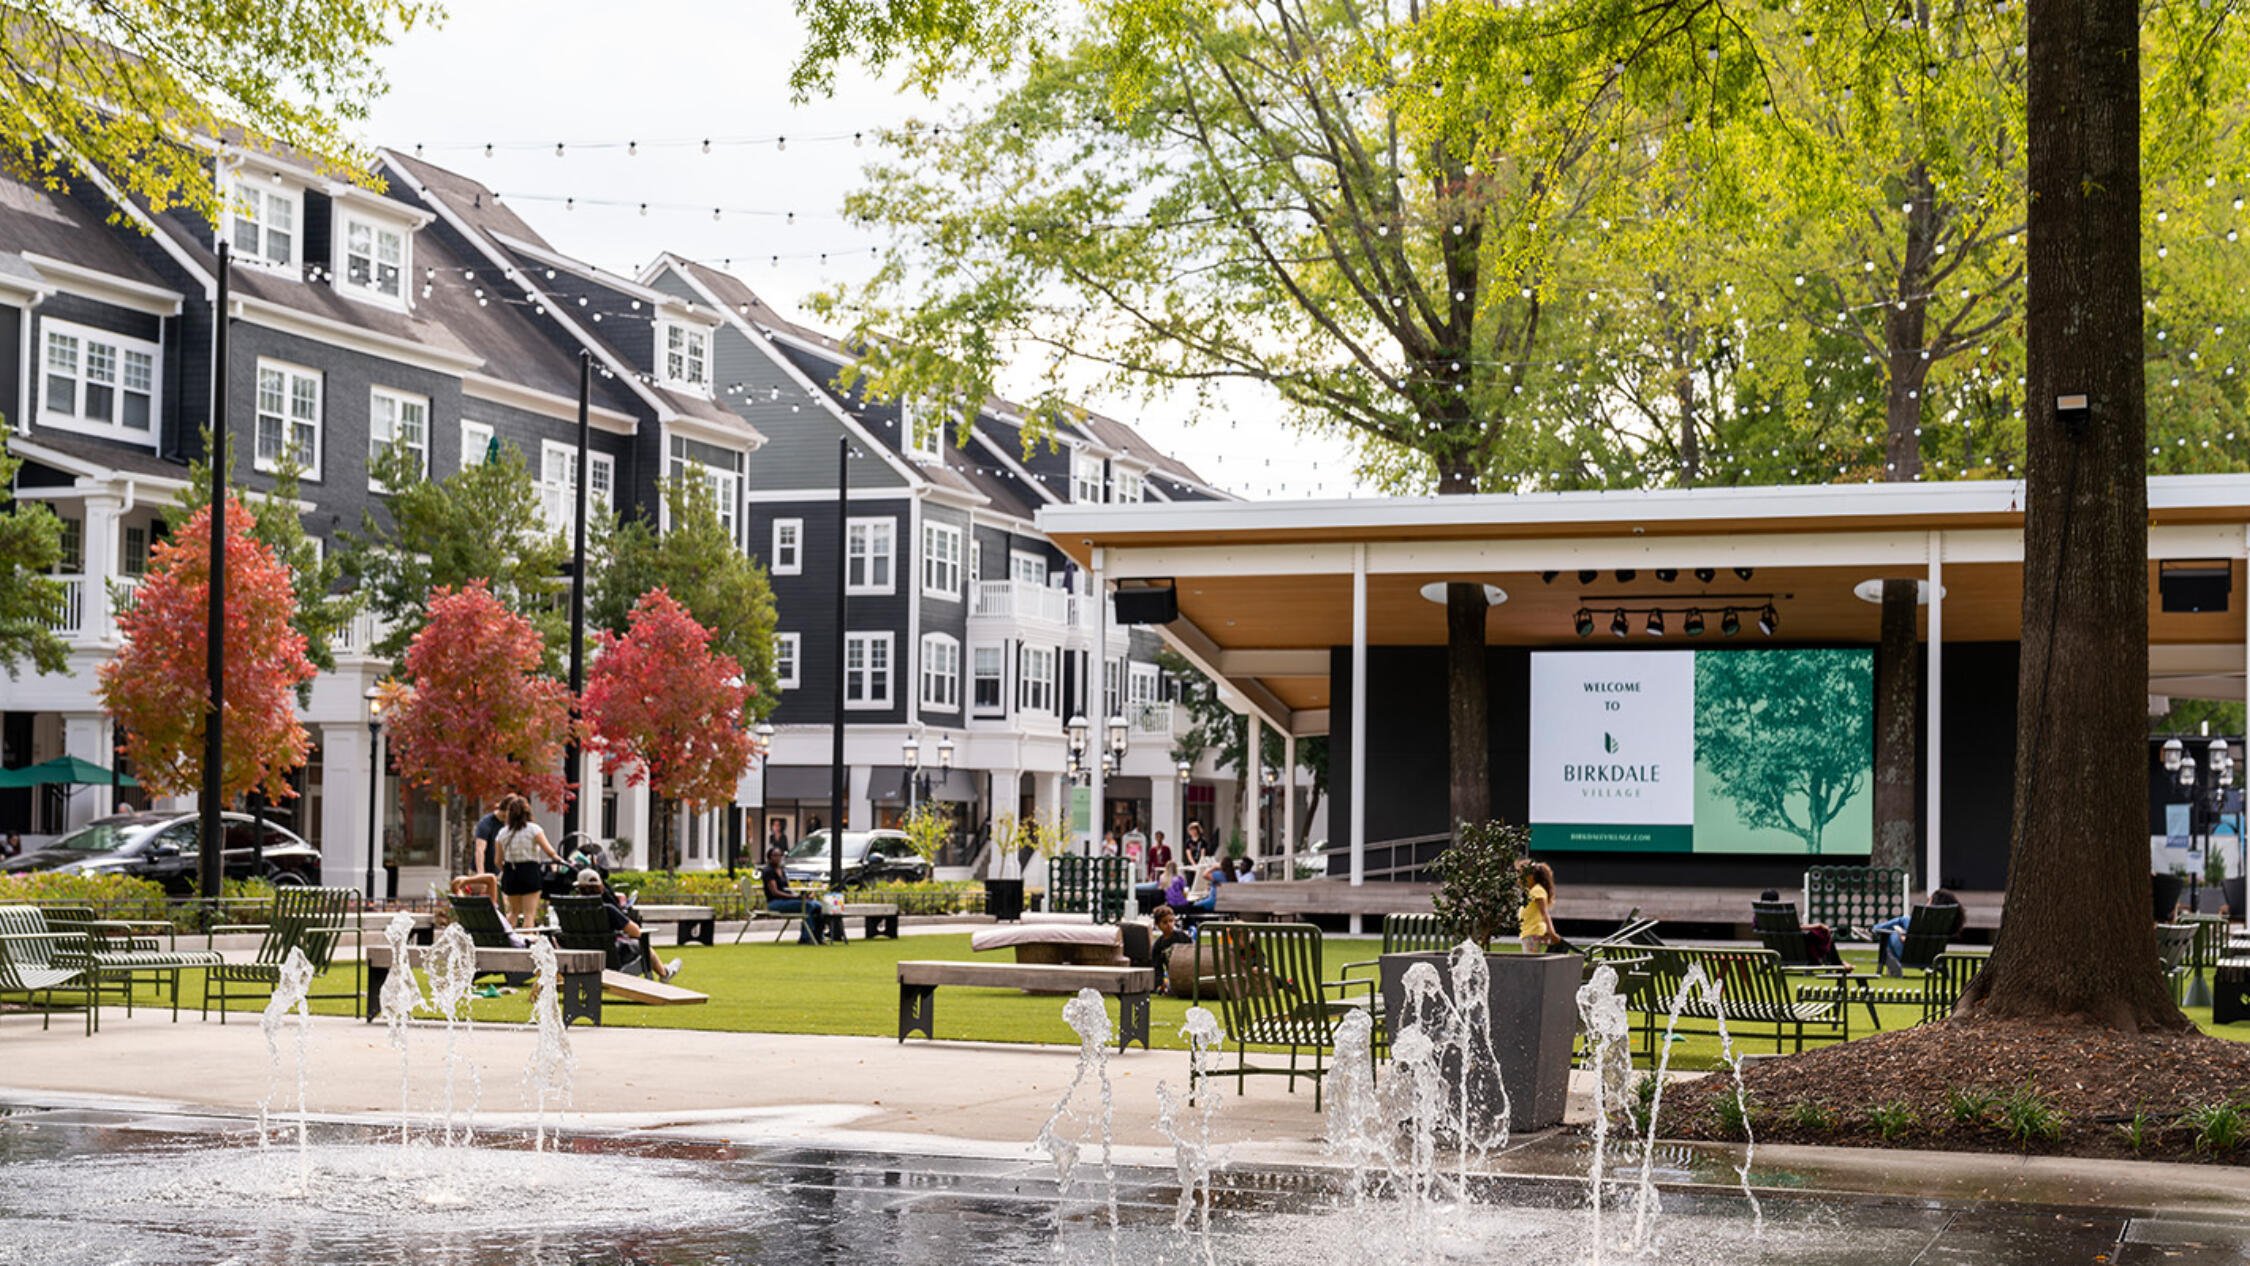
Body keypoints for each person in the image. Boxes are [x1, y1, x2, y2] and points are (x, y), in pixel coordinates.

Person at [575, 868, 680, 981]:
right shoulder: (607, 909)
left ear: (578, 889)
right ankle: (664, 973)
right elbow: (636, 932)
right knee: (644, 947)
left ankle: (664, 972)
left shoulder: (570, 910)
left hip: (580, 961)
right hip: (611, 960)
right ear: (601, 889)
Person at [493, 794, 565, 929]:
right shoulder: (534, 829)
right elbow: (550, 852)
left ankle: (506, 942)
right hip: (530, 873)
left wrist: (508, 871)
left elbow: (497, 861)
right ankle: (527, 944)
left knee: (513, 913)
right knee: (529, 915)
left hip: (510, 873)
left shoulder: (502, 833)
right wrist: (561, 860)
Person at [1872, 889, 1958, 976]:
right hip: (1932, 957)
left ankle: (1874, 930)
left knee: (1890, 931)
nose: (1927, 903)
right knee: (1900, 924)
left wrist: (1903, 936)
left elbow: (1911, 940)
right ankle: (1874, 930)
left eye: (1929, 900)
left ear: (1934, 903)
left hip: (1908, 956)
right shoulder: (1946, 924)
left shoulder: (1925, 922)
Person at [762, 844, 827, 945]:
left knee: (818, 905)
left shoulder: (782, 870)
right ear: (769, 857)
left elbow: (787, 889)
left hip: (787, 900)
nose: (778, 858)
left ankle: (818, 935)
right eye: (775, 855)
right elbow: (775, 892)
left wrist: (801, 896)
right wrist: (795, 897)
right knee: (807, 905)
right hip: (775, 902)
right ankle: (805, 938)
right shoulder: (768, 871)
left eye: (780, 855)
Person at [1150, 904, 1196, 994]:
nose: (1169, 925)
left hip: (1188, 972)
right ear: (1157, 925)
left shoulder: (1182, 937)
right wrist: (1159, 984)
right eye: (1165, 922)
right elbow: (1157, 968)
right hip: (1173, 977)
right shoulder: (1158, 945)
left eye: (1171, 921)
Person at [1519, 860, 1560, 954]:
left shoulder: (1537, 891)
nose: (1519, 879)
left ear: (1531, 877)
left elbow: (1544, 913)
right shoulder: (1533, 891)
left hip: (1532, 933)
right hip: (1530, 932)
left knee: (1531, 964)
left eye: (1522, 876)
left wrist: (1551, 932)